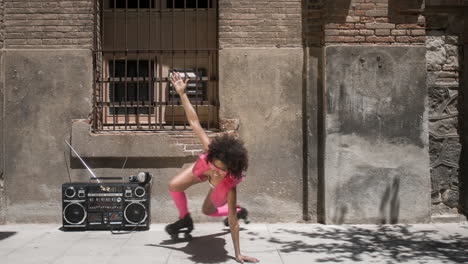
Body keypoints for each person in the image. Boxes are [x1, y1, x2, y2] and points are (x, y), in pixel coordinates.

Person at [165, 72, 259, 263]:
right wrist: (182, 94)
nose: (216, 171)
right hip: (200, 170)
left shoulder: (229, 183)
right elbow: (194, 123)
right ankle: (185, 219)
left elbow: (232, 222)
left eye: (221, 170)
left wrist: (238, 254)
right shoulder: (210, 154)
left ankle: (242, 211)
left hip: (219, 187)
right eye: (215, 166)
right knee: (174, 185)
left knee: (208, 211)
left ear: (230, 170)